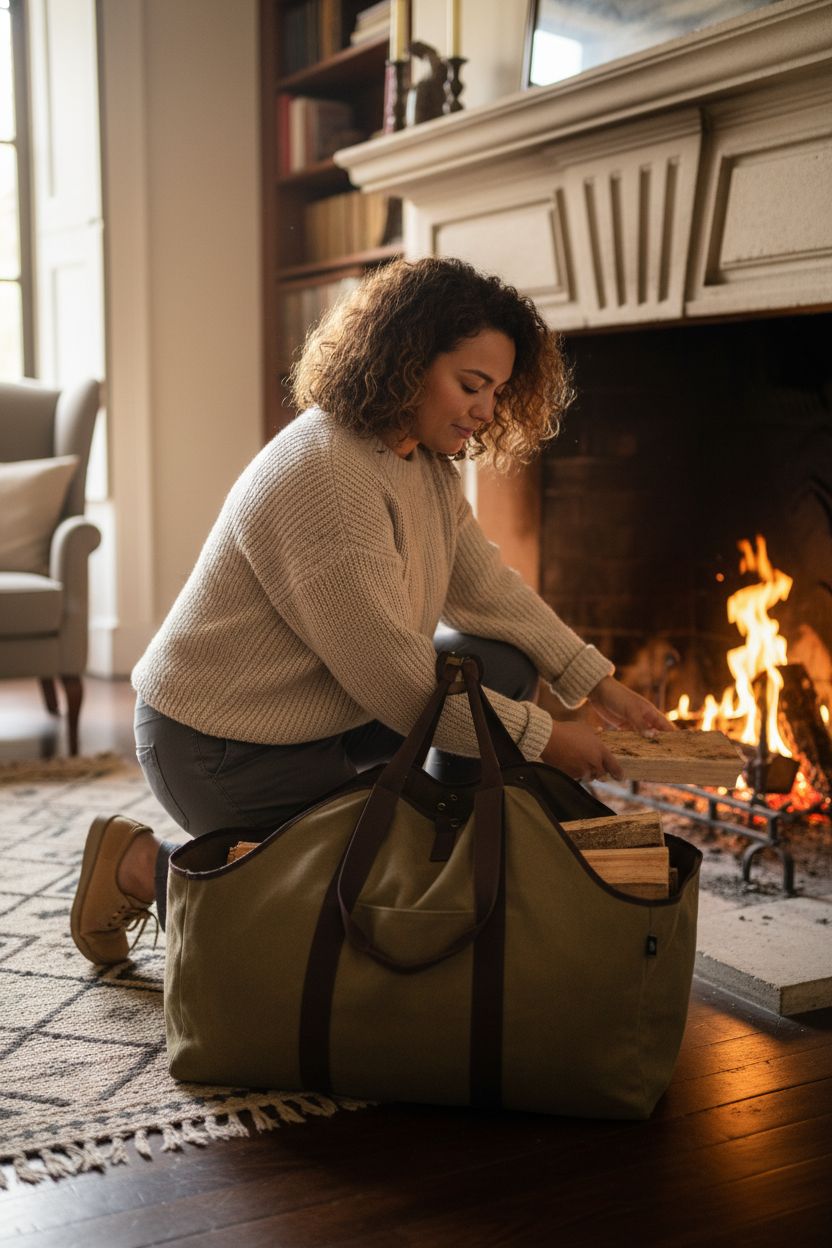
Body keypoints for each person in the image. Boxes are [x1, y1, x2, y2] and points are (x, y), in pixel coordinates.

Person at [70, 257, 672, 966]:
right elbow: (396, 679)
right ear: (407, 361)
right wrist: (547, 739)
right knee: (368, 925)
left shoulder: (425, 466)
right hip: (218, 747)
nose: (485, 410)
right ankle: (138, 863)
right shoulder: (327, 472)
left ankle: (431, 843)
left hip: (325, 721)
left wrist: (598, 683)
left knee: (500, 662)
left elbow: (491, 591)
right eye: (471, 385)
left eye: (498, 391)